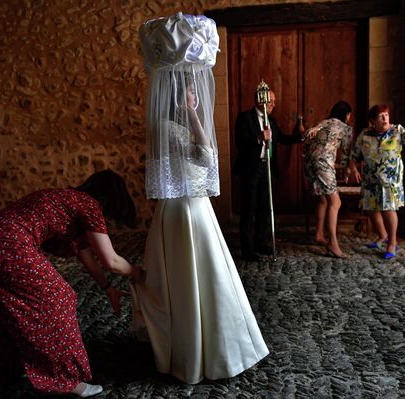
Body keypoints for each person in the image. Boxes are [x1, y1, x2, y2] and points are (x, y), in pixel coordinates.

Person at [131, 12, 269, 384]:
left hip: (196, 207)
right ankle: (187, 348)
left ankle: (218, 345)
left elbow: (206, 155)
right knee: (183, 279)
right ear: (179, 92)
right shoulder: (165, 127)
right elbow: (199, 158)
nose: (196, 93)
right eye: (191, 89)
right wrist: (192, 118)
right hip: (180, 207)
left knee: (208, 278)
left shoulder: (185, 122)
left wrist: (194, 117)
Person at [0, 169, 142, 397]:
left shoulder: (65, 198)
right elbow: (110, 260)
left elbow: (87, 256)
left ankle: (10, 371)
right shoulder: (89, 205)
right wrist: (139, 273)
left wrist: (108, 289)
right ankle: (68, 381)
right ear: (112, 198)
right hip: (5, 242)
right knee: (59, 297)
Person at [348, 104, 405, 259]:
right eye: (381, 116)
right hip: (370, 179)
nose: (385, 118)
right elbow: (354, 155)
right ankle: (382, 236)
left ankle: (392, 243)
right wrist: (353, 170)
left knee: (388, 209)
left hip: (390, 179)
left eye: (386, 115)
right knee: (371, 208)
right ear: (372, 121)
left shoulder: (397, 131)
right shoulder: (365, 134)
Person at [233, 86, 303, 261]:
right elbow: (240, 143)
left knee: (265, 207)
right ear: (259, 100)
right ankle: (247, 249)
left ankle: (260, 242)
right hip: (251, 169)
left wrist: (301, 136)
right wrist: (258, 137)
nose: (273, 104)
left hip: (267, 168)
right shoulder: (245, 118)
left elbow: (283, 139)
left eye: (274, 102)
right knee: (249, 209)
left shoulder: (271, 121)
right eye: (270, 101)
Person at [303, 100, 354, 258]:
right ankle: (332, 243)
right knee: (335, 202)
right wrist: (346, 171)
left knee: (323, 200)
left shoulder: (324, 122)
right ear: (347, 115)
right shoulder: (346, 129)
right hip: (323, 163)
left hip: (309, 162)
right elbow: (346, 154)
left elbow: (307, 138)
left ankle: (319, 234)